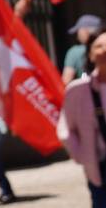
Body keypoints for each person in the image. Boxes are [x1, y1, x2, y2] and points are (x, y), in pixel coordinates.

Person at [58, 28, 106, 207]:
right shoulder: (78, 91)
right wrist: (84, 156)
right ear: (90, 54)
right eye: (99, 46)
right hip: (100, 167)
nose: (105, 50)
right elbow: (66, 129)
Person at [63, 13, 101, 84]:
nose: (77, 36)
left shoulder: (74, 52)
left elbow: (66, 80)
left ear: (84, 31)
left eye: (78, 31)